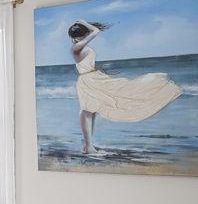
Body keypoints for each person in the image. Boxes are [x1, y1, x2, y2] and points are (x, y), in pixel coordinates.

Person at [68, 20, 182, 154]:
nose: (85, 37)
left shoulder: (81, 47)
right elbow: (96, 31)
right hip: (88, 80)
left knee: (96, 107)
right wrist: (83, 21)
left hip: (94, 77)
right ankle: (88, 146)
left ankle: (88, 145)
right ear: (78, 36)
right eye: (83, 35)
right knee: (87, 110)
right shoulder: (76, 48)